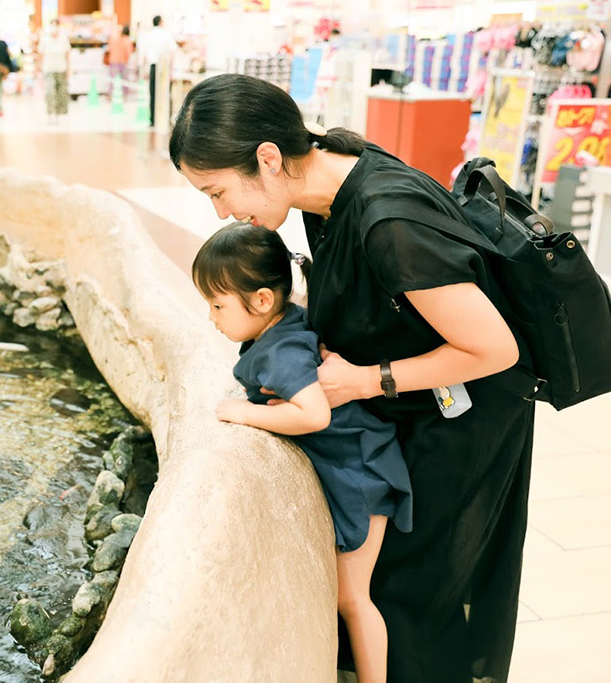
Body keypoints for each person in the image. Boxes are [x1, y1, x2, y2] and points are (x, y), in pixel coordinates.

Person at [171, 73, 532, 683]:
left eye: (217, 191)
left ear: (267, 158)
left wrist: (366, 380)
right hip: (414, 413)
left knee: (414, 597)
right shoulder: (327, 189)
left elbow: (496, 349)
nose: (221, 213)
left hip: (461, 422)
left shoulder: (388, 221)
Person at [194, 221, 413, 683]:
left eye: (216, 304)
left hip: (363, 470)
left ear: (261, 300)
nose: (211, 317)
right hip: (359, 459)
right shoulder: (280, 326)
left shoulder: (283, 351)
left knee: (353, 598)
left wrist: (244, 413)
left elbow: (314, 415)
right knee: (348, 596)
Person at [136, 15, 175, 127]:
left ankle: (153, 119)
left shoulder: (147, 35)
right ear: (161, 22)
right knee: (167, 93)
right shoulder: (166, 34)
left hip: (153, 67)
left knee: (153, 94)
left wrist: (142, 70)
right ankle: (168, 119)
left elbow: (143, 54)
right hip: (165, 67)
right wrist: (171, 70)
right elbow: (172, 52)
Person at [38, 19, 71, 123]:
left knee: (61, 92)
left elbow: (67, 54)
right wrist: (38, 69)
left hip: (61, 68)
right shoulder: (44, 39)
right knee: (50, 92)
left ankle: (60, 114)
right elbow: (40, 55)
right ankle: (51, 113)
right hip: (48, 69)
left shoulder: (63, 39)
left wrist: (69, 68)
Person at [107, 25, 133, 100]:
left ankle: (111, 96)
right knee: (124, 81)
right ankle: (124, 96)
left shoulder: (114, 39)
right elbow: (128, 52)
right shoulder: (127, 40)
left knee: (112, 80)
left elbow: (109, 48)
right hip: (123, 62)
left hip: (113, 60)